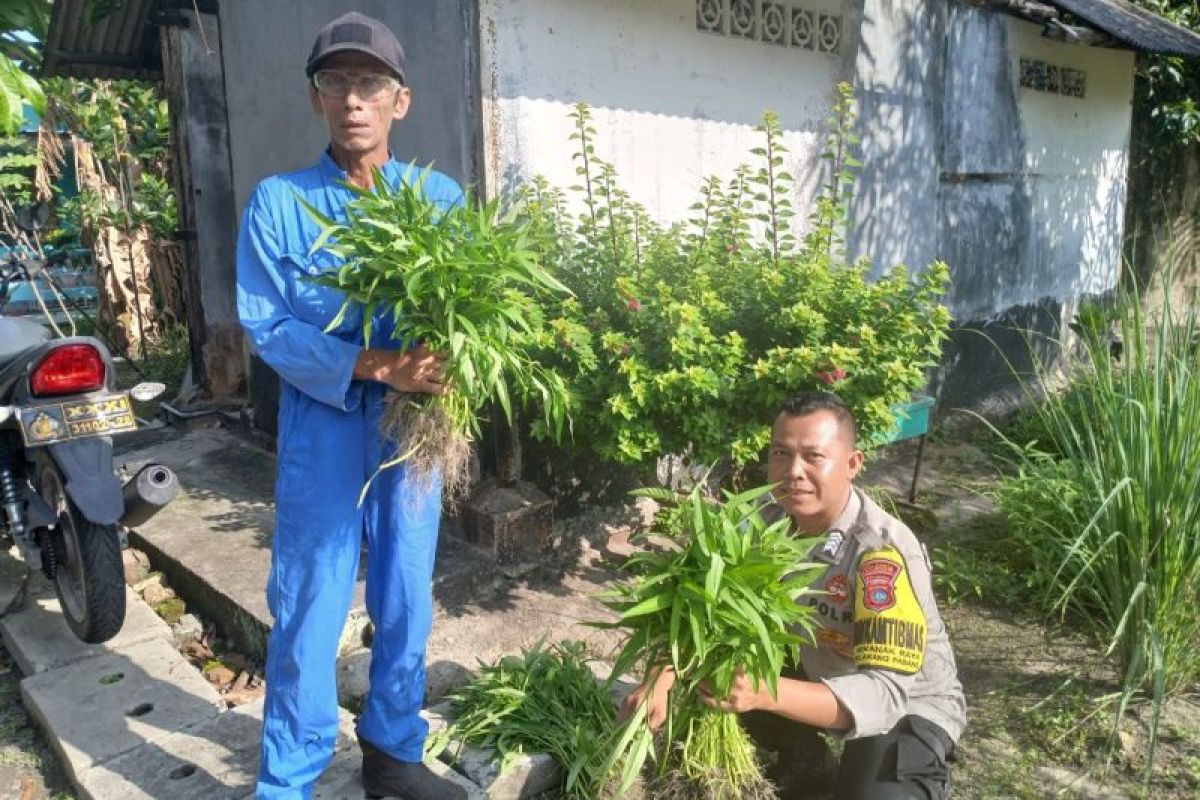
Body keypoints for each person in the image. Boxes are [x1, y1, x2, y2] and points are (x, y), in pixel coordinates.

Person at [236, 12, 468, 800]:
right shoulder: (279, 204)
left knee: (406, 589)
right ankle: (289, 780)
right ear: (316, 100)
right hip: (325, 422)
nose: (352, 100)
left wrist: (450, 364)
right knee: (310, 597)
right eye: (334, 83)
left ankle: (393, 753)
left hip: (413, 433)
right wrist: (378, 365)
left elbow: (470, 309)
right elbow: (268, 326)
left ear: (400, 101)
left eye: (369, 83)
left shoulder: (438, 200)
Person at [621, 391, 966, 800]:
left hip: (905, 705)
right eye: (781, 454)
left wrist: (763, 692)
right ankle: (807, 763)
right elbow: (702, 610)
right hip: (812, 670)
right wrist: (661, 678)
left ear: (853, 464)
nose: (793, 472)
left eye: (814, 457)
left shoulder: (881, 554)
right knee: (704, 682)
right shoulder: (758, 518)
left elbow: (885, 694)